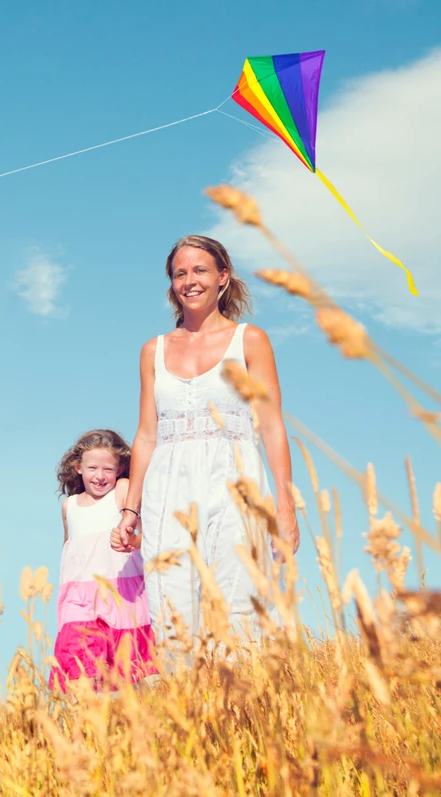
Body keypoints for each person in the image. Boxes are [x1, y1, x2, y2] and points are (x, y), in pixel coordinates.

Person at [112, 234, 299, 650]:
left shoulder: (250, 340)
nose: (189, 281)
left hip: (237, 480)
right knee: (173, 607)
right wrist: (130, 509)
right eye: (180, 273)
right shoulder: (152, 351)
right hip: (169, 486)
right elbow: (146, 434)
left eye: (199, 270)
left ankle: (245, 708)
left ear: (222, 277)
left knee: (240, 602)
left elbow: (270, 425)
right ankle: (187, 707)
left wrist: (284, 506)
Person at [49, 429, 157, 693]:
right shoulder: (69, 506)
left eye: (108, 469)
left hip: (122, 595)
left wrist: (132, 541)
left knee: (128, 679)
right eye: (92, 468)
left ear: (120, 468)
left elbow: (150, 535)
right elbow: (69, 549)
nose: (100, 476)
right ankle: (82, 725)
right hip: (80, 599)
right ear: (78, 467)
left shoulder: (121, 491)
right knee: (78, 670)